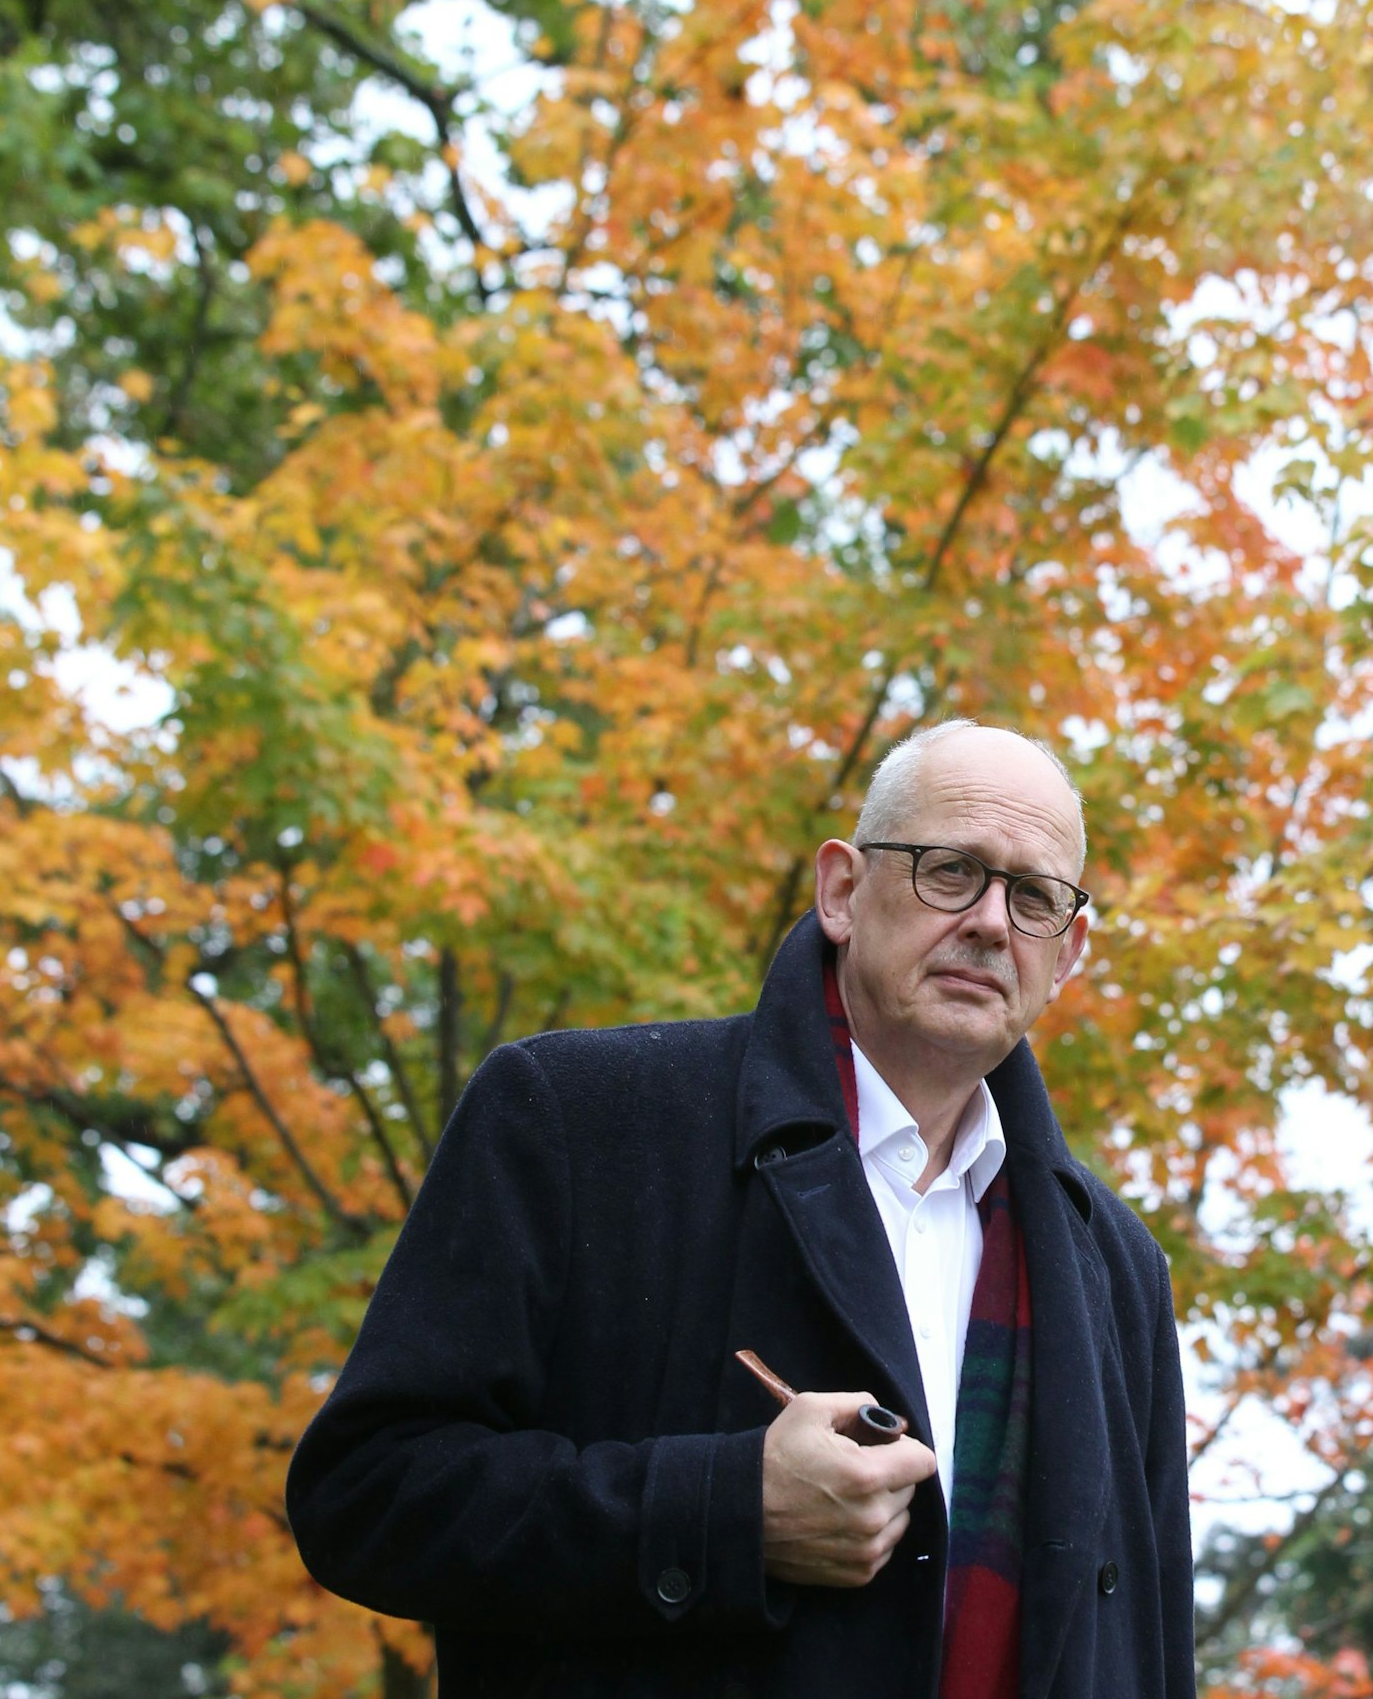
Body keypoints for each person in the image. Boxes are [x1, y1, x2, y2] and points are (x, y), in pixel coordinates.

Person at [286, 721, 1194, 1699]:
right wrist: (726, 1510)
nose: (988, 920)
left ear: (1068, 950)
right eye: (948, 869)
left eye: (1032, 897)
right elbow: (367, 1494)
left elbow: (1148, 1645)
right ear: (841, 889)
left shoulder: (1117, 1267)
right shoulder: (574, 1117)